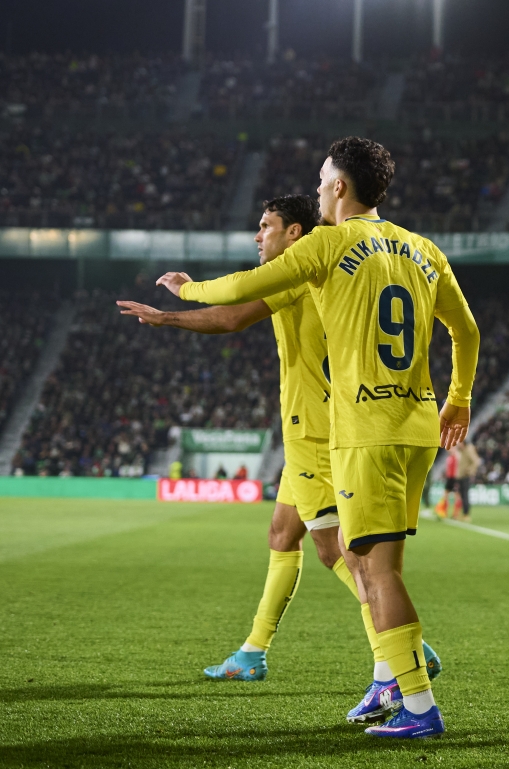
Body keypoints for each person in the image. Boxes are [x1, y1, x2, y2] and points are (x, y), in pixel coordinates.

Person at [157, 136, 479, 740]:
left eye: (322, 176)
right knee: (365, 560)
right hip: (417, 426)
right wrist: (458, 398)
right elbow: (467, 330)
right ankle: (391, 676)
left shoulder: (329, 245)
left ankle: (418, 706)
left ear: (338, 187)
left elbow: (236, 294)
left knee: (374, 572)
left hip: (363, 431)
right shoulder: (423, 249)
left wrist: (184, 292)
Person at [119, 196, 441, 718]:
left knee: (341, 552)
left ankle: (401, 650)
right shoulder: (344, 267)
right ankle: (254, 649)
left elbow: (230, 316)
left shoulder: (304, 272)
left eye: (265, 226)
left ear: (295, 233)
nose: (257, 237)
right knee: (282, 533)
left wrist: (167, 316)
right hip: (329, 427)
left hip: (318, 434)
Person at [454, 440, 480, 521]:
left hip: (465, 476)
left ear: (463, 443)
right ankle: (462, 513)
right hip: (461, 476)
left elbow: (476, 461)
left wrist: (469, 471)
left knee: (465, 495)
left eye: (459, 443)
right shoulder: (462, 450)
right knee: (462, 495)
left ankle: (466, 514)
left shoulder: (468, 450)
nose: (457, 445)